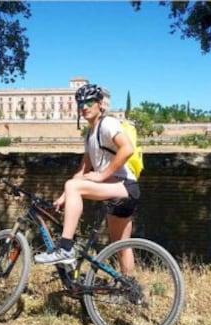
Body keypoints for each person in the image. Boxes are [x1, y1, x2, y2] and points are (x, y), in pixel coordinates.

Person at [34, 83, 140, 275]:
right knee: (121, 246)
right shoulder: (91, 133)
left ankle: (65, 248)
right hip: (118, 190)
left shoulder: (108, 124)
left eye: (89, 102)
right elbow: (82, 171)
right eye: (80, 102)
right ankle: (131, 291)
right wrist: (63, 196)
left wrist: (101, 175)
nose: (84, 106)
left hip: (124, 186)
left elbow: (127, 149)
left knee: (73, 187)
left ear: (100, 104)